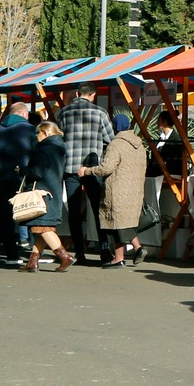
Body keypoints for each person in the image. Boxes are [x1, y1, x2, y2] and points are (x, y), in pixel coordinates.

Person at [57, 84, 114, 264]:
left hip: (70, 167)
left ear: (77, 93)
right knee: (99, 209)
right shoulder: (100, 113)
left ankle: (79, 252)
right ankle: (104, 250)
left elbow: (58, 139)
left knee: (74, 212)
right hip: (93, 167)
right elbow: (110, 140)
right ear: (93, 95)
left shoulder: (64, 113)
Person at [81, 126, 151, 267]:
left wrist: (87, 171)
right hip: (134, 190)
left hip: (117, 190)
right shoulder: (140, 145)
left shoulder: (115, 145)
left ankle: (119, 258)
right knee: (125, 223)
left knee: (116, 225)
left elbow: (106, 168)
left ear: (115, 128)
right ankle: (137, 249)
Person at [0, 101, 39, 263]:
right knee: (32, 211)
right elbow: (37, 153)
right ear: (24, 114)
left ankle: (11, 253)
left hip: (2, 179)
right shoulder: (30, 130)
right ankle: (34, 252)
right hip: (24, 178)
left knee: (6, 217)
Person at [22, 121, 74, 272]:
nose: (36, 136)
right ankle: (33, 262)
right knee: (41, 228)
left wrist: (22, 170)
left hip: (41, 193)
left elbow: (37, 172)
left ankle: (64, 256)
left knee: (43, 228)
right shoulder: (58, 148)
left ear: (45, 133)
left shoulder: (44, 150)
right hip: (53, 192)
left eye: (38, 133)